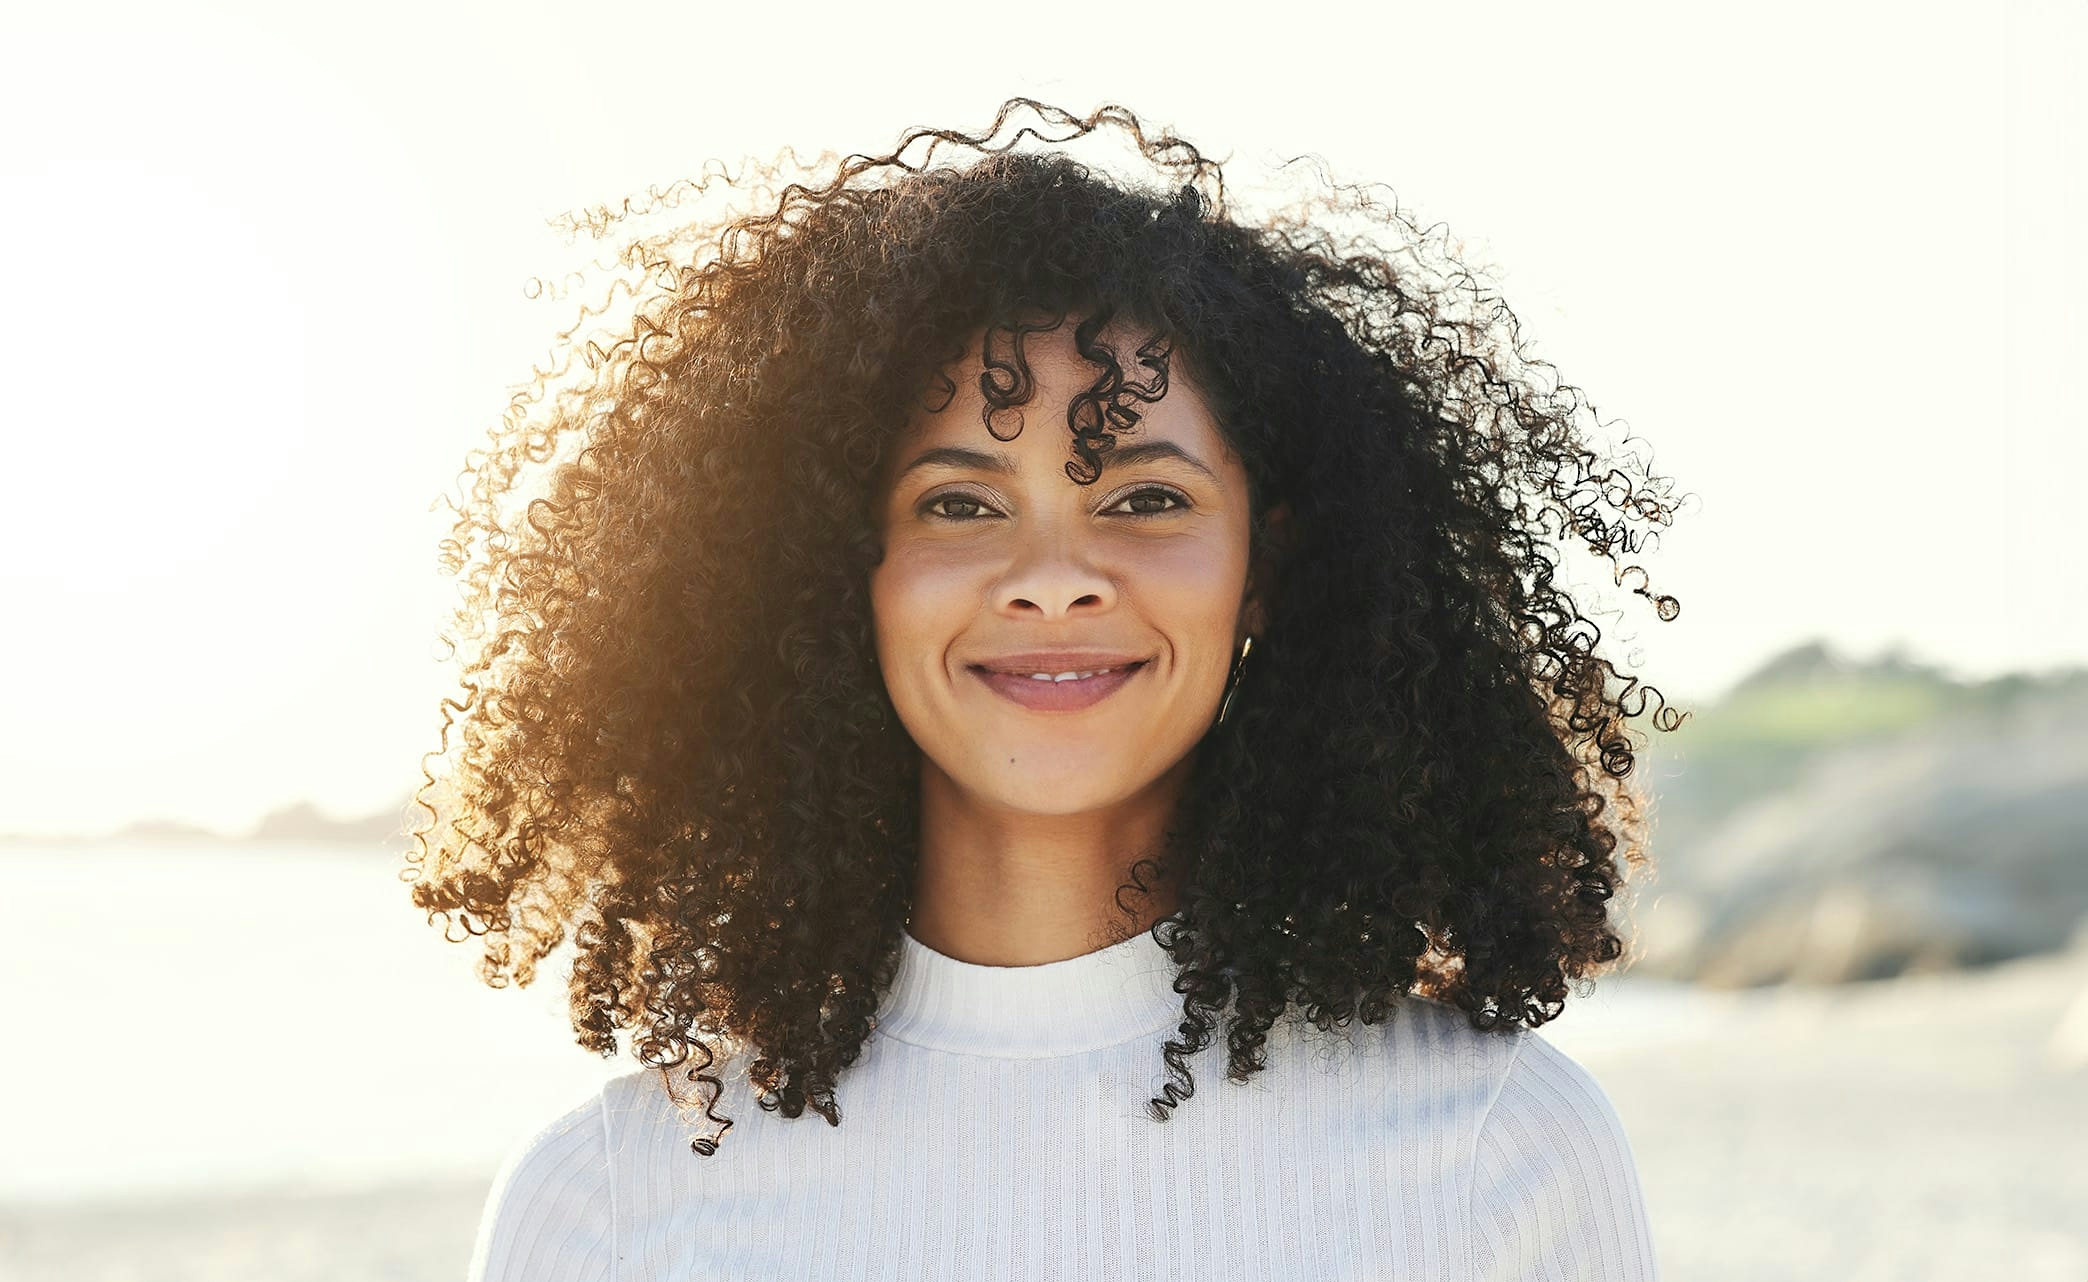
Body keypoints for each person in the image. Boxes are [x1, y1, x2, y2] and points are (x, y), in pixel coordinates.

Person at [411, 98, 1683, 1280]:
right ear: (825, 573)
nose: (1055, 579)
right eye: (959, 503)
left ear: (1266, 568)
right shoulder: (615, 1206)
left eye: (1145, 498)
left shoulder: (1499, 1157)